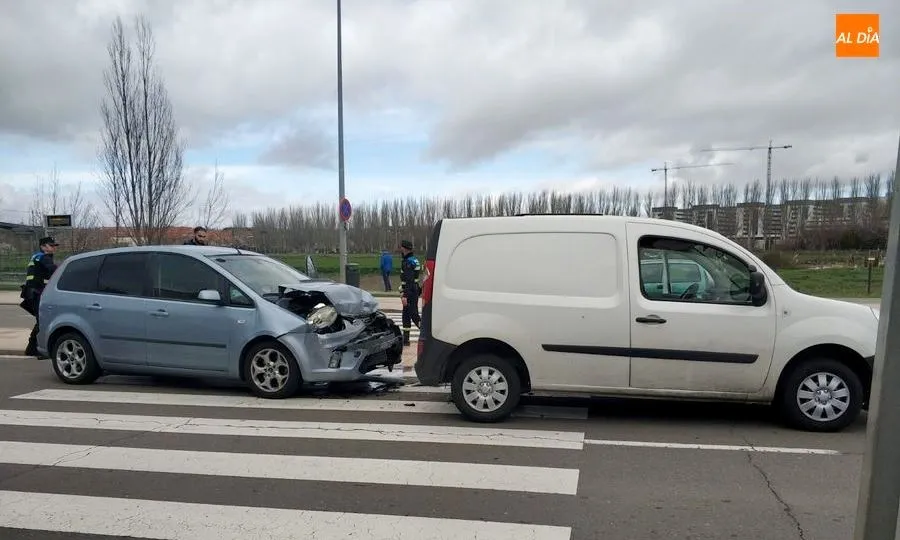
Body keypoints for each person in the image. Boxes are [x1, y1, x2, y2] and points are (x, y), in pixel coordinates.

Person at [20, 236, 59, 357]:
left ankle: (32, 349)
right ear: (43, 247)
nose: (53, 248)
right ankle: (33, 349)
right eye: (51, 245)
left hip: (32, 293)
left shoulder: (37, 256)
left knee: (40, 321)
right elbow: (54, 270)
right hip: (36, 293)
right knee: (42, 321)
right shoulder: (44, 257)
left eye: (54, 246)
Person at [398, 239, 421, 346]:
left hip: (410, 292)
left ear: (404, 248)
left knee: (413, 314)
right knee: (406, 315)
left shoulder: (407, 262)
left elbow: (409, 280)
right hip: (413, 290)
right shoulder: (414, 260)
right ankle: (406, 339)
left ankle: (426, 333)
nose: (400, 249)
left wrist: (405, 295)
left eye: (401, 247)